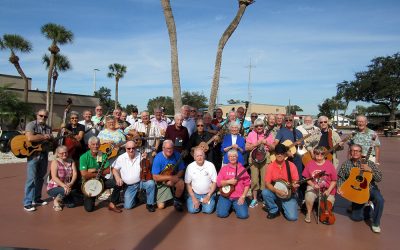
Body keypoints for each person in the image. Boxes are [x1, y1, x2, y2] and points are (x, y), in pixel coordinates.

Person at [337, 144, 384, 233]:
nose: (355, 152)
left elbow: (379, 178)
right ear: (350, 152)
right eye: (353, 150)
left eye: (357, 151)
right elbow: (340, 177)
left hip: (370, 188)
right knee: (356, 218)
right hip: (356, 190)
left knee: (380, 200)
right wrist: (339, 186)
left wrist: (370, 170)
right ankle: (367, 208)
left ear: (361, 153)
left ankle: (376, 223)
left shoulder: (369, 163)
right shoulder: (346, 164)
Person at [79, 136, 123, 212]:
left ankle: (112, 203)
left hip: (101, 180)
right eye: (93, 144)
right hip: (88, 182)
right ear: (89, 146)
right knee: (89, 209)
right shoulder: (83, 157)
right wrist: (97, 173)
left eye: (97, 144)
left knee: (118, 183)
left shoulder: (103, 155)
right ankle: (92, 196)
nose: (95, 146)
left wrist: (94, 171)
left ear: (99, 145)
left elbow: (107, 171)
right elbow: (84, 174)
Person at [112, 141, 156, 212]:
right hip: (130, 186)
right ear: (125, 149)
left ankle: (149, 204)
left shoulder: (140, 155)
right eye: (129, 148)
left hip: (141, 182)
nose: (131, 150)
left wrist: (146, 159)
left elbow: (148, 166)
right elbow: (114, 169)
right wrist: (118, 178)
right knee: (127, 206)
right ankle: (136, 197)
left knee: (151, 183)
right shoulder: (121, 157)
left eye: (133, 148)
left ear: (136, 148)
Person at [23, 109, 52, 211]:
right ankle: (27, 202)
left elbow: (48, 141)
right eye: (41, 115)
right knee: (31, 179)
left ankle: (37, 198)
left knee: (40, 178)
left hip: (44, 154)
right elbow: (30, 138)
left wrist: (50, 139)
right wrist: (44, 136)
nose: (43, 118)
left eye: (45, 116)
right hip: (33, 155)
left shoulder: (48, 128)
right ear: (37, 115)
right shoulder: (31, 125)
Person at [262, 143, 299, 221]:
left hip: (288, 194)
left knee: (292, 217)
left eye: (282, 153)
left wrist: (294, 185)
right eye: (277, 153)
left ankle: (283, 204)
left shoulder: (291, 165)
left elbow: (296, 180)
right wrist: (277, 191)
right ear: (275, 154)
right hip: (276, 192)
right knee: (265, 192)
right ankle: (274, 210)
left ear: (285, 155)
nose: (279, 155)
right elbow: (267, 183)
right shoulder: (270, 166)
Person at [302, 146, 337, 223]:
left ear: (324, 155)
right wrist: (313, 185)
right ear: (314, 154)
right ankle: (308, 212)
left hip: (327, 189)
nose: (319, 157)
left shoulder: (329, 164)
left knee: (326, 207)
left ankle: (323, 210)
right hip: (314, 187)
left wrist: (328, 190)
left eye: (321, 155)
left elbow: (334, 180)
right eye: (317, 155)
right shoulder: (310, 163)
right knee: (309, 195)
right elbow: (307, 178)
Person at [245, 118, 275, 208]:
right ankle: (254, 199)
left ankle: (265, 198)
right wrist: (257, 143)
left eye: (261, 125)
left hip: (265, 157)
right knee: (254, 179)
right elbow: (247, 148)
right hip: (254, 157)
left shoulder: (268, 134)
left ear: (263, 126)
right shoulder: (251, 134)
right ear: (254, 127)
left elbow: (273, 147)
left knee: (265, 179)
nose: (259, 127)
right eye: (257, 126)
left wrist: (267, 143)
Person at [274, 115, 304, 203]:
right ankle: (284, 194)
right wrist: (286, 152)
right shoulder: (281, 131)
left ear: (293, 120)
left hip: (297, 157)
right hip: (285, 157)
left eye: (290, 119)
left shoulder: (298, 132)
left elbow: (302, 147)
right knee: (285, 176)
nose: (288, 121)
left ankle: (296, 195)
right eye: (286, 120)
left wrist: (300, 144)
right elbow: (276, 144)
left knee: (297, 177)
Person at [152, 140, 186, 211]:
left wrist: (176, 177)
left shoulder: (177, 155)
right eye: (167, 148)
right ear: (163, 148)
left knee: (181, 183)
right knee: (161, 206)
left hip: (173, 178)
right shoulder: (158, 158)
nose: (170, 150)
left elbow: (181, 169)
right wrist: (170, 178)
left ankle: (176, 201)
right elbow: (155, 177)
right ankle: (162, 195)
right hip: (161, 182)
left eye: (171, 148)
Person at [216, 149, 250, 219]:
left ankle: (234, 206)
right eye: (230, 156)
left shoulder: (242, 169)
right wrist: (228, 182)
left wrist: (243, 196)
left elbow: (247, 184)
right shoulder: (224, 169)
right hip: (226, 196)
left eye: (234, 156)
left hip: (238, 197)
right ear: (228, 158)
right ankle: (229, 205)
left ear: (237, 158)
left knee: (243, 215)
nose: (232, 158)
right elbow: (218, 183)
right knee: (221, 214)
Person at [185, 148, 217, 214]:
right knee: (192, 210)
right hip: (195, 194)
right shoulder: (190, 167)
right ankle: (199, 203)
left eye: (201, 155)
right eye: (197, 156)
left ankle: (206, 202)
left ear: (204, 156)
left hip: (208, 193)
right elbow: (188, 184)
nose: (199, 158)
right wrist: (193, 197)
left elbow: (214, 182)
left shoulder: (210, 165)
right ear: (194, 157)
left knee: (208, 210)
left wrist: (208, 195)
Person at [47, 145, 78, 211]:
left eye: (66, 152)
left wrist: (71, 183)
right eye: (62, 153)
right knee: (64, 190)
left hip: (67, 186)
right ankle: (56, 201)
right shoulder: (55, 162)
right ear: (58, 154)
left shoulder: (71, 161)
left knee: (71, 205)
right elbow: (54, 177)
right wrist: (64, 186)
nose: (64, 154)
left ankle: (62, 197)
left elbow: (75, 174)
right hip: (54, 187)